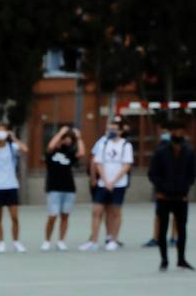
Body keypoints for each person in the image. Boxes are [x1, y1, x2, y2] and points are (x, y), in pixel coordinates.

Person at [147, 117, 195, 271]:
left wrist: (186, 187)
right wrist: (161, 187)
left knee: (182, 228)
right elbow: (152, 173)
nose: (176, 133)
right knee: (163, 228)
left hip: (181, 196)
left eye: (179, 130)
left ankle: (181, 259)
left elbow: (192, 172)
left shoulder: (188, 150)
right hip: (164, 196)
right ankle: (164, 260)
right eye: (173, 131)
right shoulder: (161, 151)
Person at [80, 115, 134, 251]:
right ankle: (93, 241)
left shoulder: (126, 145)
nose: (112, 131)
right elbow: (98, 163)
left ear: (121, 131)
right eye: (110, 129)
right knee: (96, 211)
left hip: (119, 184)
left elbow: (126, 165)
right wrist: (103, 180)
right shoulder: (103, 143)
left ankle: (113, 239)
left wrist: (114, 181)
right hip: (103, 183)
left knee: (115, 212)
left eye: (115, 129)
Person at [0, 122, 28, 253]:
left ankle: (16, 242)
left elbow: (25, 149)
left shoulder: (12, 147)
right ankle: (1, 242)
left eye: (4, 131)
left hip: (11, 185)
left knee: (14, 217)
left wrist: (13, 137)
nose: (1, 133)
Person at [42, 125, 83, 251]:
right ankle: (47, 241)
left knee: (65, 216)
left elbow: (81, 153)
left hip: (68, 188)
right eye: (65, 138)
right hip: (54, 188)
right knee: (52, 216)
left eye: (69, 139)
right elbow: (50, 147)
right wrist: (60, 133)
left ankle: (61, 240)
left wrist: (79, 138)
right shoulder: (51, 153)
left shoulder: (69, 153)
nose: (67, 140)